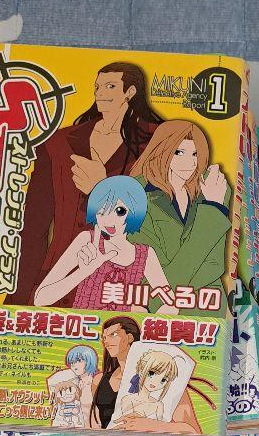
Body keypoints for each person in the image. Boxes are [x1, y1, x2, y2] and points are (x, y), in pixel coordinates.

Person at [13, 61, 163, 303]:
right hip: (57, 279)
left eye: (110, 86)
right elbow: (33, 227)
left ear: (130, 91)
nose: (100, 93)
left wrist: (102, 189)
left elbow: (166, 219)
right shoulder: (58, 143)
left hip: (122, 285)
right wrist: (18, 298)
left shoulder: (159, 142)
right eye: (97, 87)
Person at [130, 119, 232, 304]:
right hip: (157, 308)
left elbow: (215, 265)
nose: (190, 162)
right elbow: (154, 281)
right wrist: (213, 211)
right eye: (179, 152)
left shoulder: (212, 190)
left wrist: (214, 206)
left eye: (195, 154)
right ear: (161, 150)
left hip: (208, 303)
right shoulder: (136, 195)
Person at [32, 175, 171, 310]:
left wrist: (143, 320)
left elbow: (171, 304)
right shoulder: (87, 241)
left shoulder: (144, 255)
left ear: (135, 212)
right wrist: (83, 272)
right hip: (85, 324)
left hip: (122, 326)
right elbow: (40, 299)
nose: (109, 219)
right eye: (102, 211)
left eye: (119, 211)